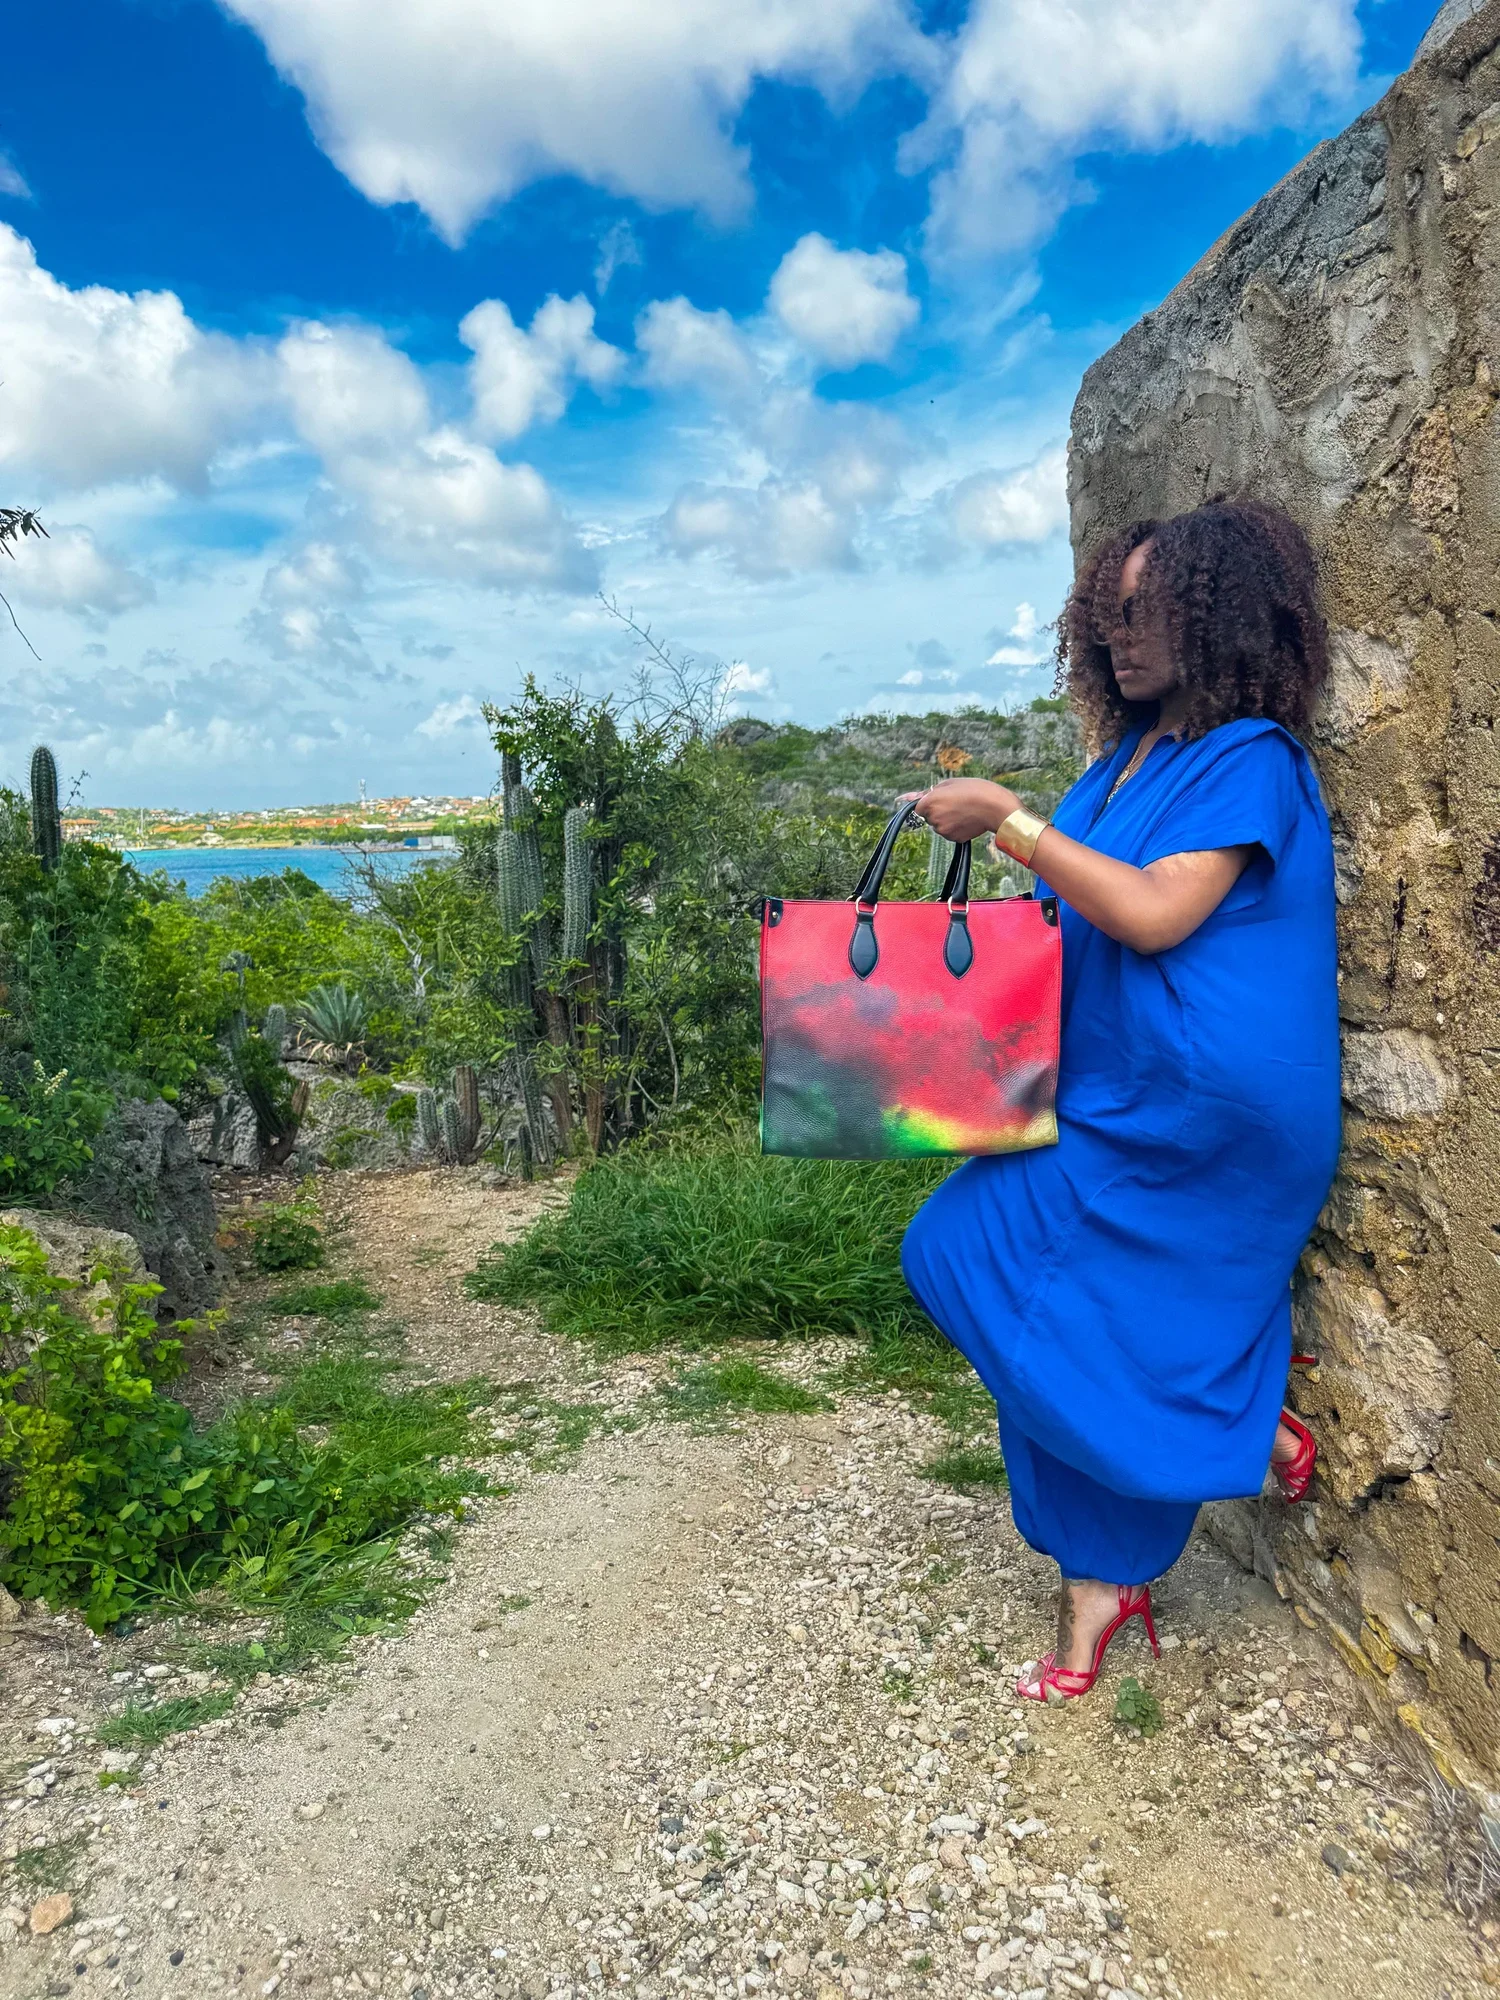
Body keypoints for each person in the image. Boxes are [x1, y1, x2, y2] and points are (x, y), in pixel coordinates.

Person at [900, 499, 1340, 1703]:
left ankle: (1214, 1450)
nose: (1121, 635)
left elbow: (1151, 911)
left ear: (1223, 614)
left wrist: (1010, 821)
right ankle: (1126, 1558)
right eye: (1109, 613)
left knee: (970, 1254)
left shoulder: (1251, 754)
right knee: (1001, 1281)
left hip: (1210, 1118)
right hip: (1114, 1093)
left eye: (1148, 611)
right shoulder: (1125, 757)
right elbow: (1069, 909)